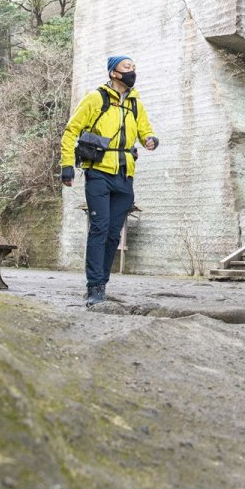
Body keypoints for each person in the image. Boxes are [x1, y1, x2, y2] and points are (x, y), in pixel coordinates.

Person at [60, 56, 158, 306]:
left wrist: (150, 140)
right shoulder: (96, 98)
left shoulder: (135, 103)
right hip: (98, 173)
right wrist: (67, 165)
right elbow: (72, 130)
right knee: (100, 227)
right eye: (127, 68)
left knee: (114, 233)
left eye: (134, 68)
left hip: (125, 176)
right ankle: (94, 287)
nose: (132, 72)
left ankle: (102, 282)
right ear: (113, 73)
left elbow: (146, 130)